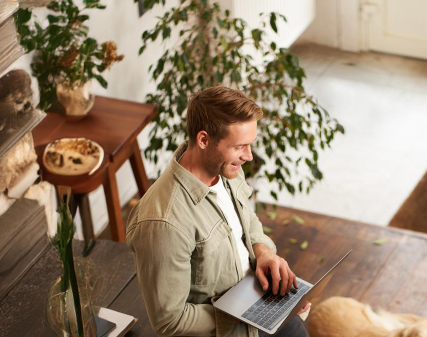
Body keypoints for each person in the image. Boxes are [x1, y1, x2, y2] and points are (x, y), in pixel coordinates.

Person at [126, 86, 310, 337]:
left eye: (249, 145)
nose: (248, 156)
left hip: (262, 303)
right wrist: (245, 312)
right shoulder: (163, 223)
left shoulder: (227, 168)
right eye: (239, 147)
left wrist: (263, 252)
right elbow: (170, 320)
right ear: (203, 140)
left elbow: (248, 220)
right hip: (233, 327)